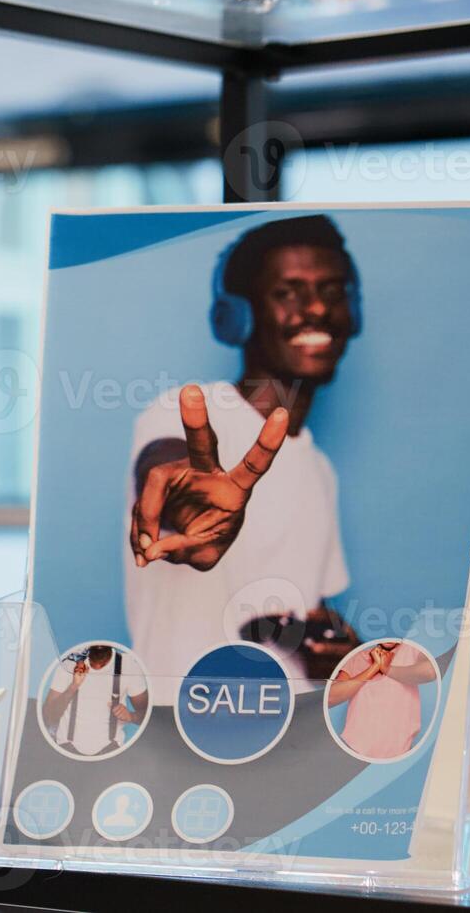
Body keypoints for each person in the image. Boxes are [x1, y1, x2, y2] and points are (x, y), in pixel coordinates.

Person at [124, 215, 360, 702]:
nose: (317, 307)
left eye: (333, 291)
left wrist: (338, 652)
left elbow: (306, 616)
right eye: (288, 292)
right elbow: (167, 468)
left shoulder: (319, 469)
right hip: (184, 741)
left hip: (290, 744)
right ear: (238, 315)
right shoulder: (184, 412)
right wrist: (192, 508)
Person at [326, 642, 437, 761]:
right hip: (354, 752)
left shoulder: (412, 651)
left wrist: (387, 669)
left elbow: (430, 671)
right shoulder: (357, 657)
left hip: (399, 755)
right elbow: (330, 698)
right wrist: (374, 667)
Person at [39, 645, 149, 757]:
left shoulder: (128, 664)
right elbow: (48, 715)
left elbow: (148, 717)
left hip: (112, 753)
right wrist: (73, 686)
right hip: (66, 751)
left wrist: (131, 716)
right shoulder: (69, 662)